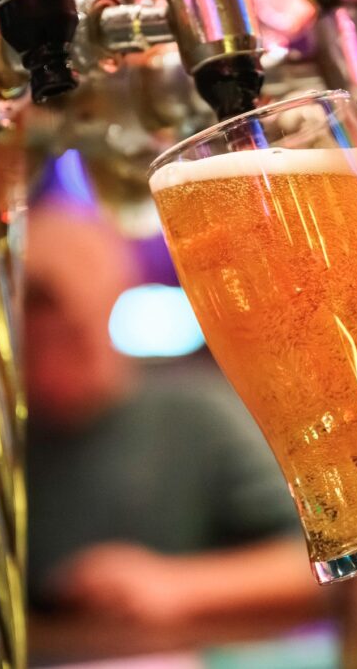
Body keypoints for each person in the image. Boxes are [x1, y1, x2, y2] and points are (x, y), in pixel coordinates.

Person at [23, 197, 323, 626]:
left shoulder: (195, 414)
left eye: (73, 338)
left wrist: (177, 585)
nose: (50, 368)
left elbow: (321, 564)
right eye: (30, 347)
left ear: (111, 306)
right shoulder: (5, 438)